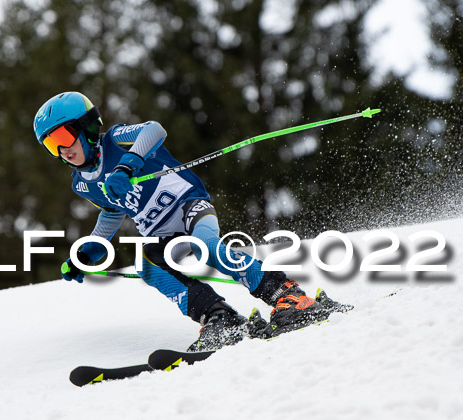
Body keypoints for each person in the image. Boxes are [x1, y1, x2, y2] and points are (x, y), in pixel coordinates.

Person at [33, 91, 342, 351]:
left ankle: (287, 295)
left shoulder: (116, 140)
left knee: (207, 247)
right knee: (148, 268)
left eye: (63, 136)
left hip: (187, 204)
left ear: (86, 127)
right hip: (159, 232)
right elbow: (113, 211)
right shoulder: (82, 183)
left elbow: (153, 130)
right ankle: (219, 317)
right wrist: (87, 253)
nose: (62, 150)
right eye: (50, 145)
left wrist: (127, 166)